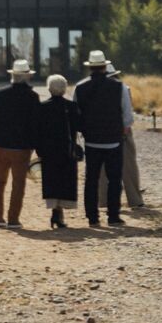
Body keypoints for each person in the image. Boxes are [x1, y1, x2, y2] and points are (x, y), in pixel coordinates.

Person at [73, 50, 134, 227]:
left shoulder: (80, 87)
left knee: (91, 179)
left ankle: (92, 217)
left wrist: (83, 130)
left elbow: (76, 114)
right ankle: (113, 215)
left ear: (90, 67)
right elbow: (127, 115)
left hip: (91, 140)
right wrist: (123, 130)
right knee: (114, 179)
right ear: (104, 67)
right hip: (114, 139)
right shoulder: (119, 87)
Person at [0, 59, 39, 227]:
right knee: (18, 184)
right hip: (22, 147)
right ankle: (13, 218)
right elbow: (35, 123)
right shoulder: (32, 97)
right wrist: (34, 144)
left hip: (1, 145)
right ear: (27, 77)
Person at [35, 74, 82, 228]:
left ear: (49, 89)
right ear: (64, 88)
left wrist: (39, 150)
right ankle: (59, 213)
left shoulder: (42, 107)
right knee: (65, 181)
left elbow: (37, 131)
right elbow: (79, 127)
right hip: (67, 150)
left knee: (51, 180)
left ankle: (55, 211)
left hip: (48, 151)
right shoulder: (72, 107)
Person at [108, 63, 144, 207]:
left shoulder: (93, 88)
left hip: (105, 131)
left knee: (106, 169)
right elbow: (128, 111)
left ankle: (105, 199)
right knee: (128, 166)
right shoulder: (123, 88)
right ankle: (134, 198)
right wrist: (126, 126)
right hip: (122, 130)